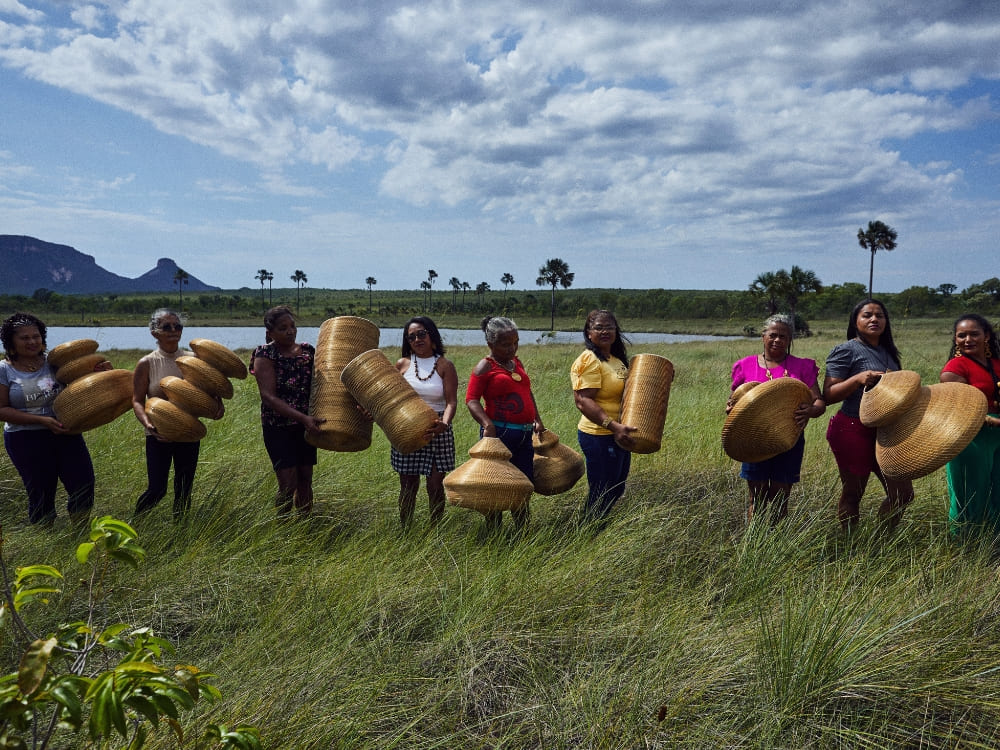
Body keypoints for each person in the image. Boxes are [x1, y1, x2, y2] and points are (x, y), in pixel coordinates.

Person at [0, 312, 108, 526]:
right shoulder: (4, 369)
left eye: (36, 336)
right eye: (24, 338)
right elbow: (1, 409)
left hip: (66, 433)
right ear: (11, 342)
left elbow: (85, 386)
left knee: (83, 485)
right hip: (25, 439)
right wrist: (41, 421)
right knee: (41, 493)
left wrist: (101, 372)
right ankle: (46, 536)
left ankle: (79, 532)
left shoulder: (56, 362)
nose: (32, 342)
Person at [823, 299, 913, 531]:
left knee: (903, 494)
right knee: (853, 493)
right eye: (867, 315)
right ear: (855, 321)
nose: (874, 319)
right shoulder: (846, 350)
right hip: (853, 429)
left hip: (885, 431)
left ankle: (880, 541)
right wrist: (857, 379)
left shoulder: (888, 350)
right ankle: (850, 542)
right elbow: (829, 395)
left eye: (879, 315)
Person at [727, 314, 826, 523]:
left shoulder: (802, 367)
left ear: (790, 339)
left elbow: (819, 403)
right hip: (753, 440)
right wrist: (731, 410)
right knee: (757, 498)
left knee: (781, 498)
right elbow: (734, 403)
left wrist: (810, 410)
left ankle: (777, 538)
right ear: (763, 336)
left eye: (783, 336)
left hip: (788, 440)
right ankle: (755, 540)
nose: (777, 340)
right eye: (773, 335)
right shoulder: (745, 365)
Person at [132, 309, 222, 520]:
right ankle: (135, 524)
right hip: (158, 435)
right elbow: (137, 400)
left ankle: (180, 530)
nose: (174, 330)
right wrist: (149, 425)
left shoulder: (193, 359)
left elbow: (210, 389)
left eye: (177, 326)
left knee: (184, 489)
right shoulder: (147, 363)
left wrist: (218, 404)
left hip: (189, 432)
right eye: (167, 327)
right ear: (154, 333)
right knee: (157, 490)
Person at [466, 316, 544, 530]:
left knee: (523, 486)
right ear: (490, 344)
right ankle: (494, 534)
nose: (512, 348)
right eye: (505, 344)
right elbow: (471, 399)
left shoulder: (516, 362)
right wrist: (487, 424)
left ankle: (522, 533)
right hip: (499, 435)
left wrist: (537, 419)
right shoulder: (485, 366)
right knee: (495, 486)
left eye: (515, 342)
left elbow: (527, 392)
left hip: (524, 435)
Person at [250, 306, 324, 517]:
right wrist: (303, 418)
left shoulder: (308, 351)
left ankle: (304, 526)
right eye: (283, 328)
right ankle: (282, 527)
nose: (290, 331)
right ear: (270, 333)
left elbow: (321, 384)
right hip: (278, 427)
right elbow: (268, 397)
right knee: (287, 483)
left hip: (305, 427)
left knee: (305, 479)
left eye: (292, 326)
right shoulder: (265, 354)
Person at [391, 317, 458, 528]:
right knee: (408, 485)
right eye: (411, 337)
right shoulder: (402, 364)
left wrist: (444, 423)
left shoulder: (445, 365)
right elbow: (389, 398)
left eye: (421, 334)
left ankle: (434, 531)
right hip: (407, 428)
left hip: (438, 429)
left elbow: (451, 402)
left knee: (435, 485)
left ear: (431, 335)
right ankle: (406, 530)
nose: (417, 339)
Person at [571, 310, 637, 522]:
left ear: (616, 331)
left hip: (617, 434)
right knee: (602, 492)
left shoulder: (615, 360)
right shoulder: (589, 359)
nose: (605, 331)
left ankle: (595, 528)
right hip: (598, 435)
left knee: (616, 488)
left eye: (609, 327)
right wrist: (613, 426)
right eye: (598, 328)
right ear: (589, 333)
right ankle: (586, 531)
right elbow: (583, 401)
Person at [939, 313, 1000, 536]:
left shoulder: (996, 363)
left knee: (998, 493)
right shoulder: (954, 369)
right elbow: (961, 409)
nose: (967, 340)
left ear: (987, 336)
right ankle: (965, 545)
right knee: (970, 495)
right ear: (955, 339)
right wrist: (991, 420)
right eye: (961, 335)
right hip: (970, 437)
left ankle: (993, 544)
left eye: (974, 334)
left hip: (997, 436)